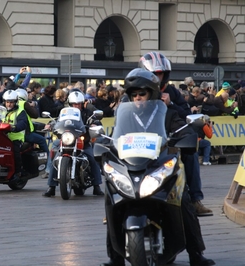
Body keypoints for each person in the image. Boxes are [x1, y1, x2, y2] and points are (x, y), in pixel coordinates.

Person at [101, 68, 215, 266]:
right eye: (134, 94)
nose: (138, 98)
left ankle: (196, 254)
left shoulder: (168, 113)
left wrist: (185, 136)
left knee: (184, 201)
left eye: (142, 94)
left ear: (151, 94)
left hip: (160, 165)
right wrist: (106, 144)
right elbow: (115, 137)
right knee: (112, 198)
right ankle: (115, 256)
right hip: (132, 167)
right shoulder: (125, 115)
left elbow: (183, 128)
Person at [139, 51, 212, 216]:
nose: (157, 78)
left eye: (160, 74)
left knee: (190, 153)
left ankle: (195, 199)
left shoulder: (172, 91)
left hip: (167, 139)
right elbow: (121, 116)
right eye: (153, 74)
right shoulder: (134, 92)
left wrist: (170, 103)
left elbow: (186, 114)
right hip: (139, 140)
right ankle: (115, 203)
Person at [42, 91, 105, 197]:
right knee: (55, 159)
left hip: (82, 141)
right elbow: (58, 120)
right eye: (75, 104)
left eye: (79, 103)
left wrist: (95, 124)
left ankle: (96, 186)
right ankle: (51, 187)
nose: (77, 106)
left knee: (92, 158)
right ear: (70, 104)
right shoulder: (64, 112)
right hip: (67, 141)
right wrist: (50, 124)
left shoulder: (87, 113)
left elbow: (96, 120)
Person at [2, 90, 29, 182]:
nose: (9, 104)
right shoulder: (1, 110)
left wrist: (14, 127)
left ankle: (18, 172)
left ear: (15, 102)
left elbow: (23, 123)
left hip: (16, 137)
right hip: (2, 135)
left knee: (15, 151)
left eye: (11, 102)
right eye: (7, 102)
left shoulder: (20, 112)